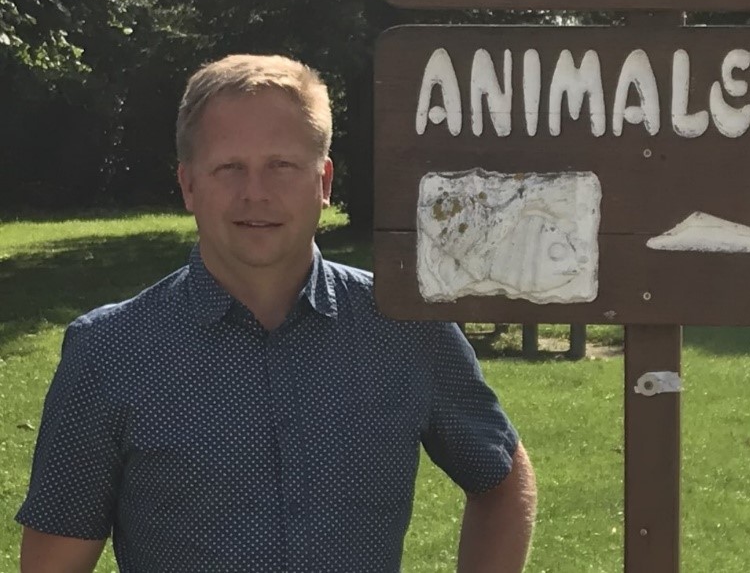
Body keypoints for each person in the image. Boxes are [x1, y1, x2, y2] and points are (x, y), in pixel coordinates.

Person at [17, 54, 536, 573]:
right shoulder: (110, 352)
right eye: (229, 167)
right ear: (189, 185)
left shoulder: (406, 329)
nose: (255, 192)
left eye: (281, 165)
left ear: (324, 181)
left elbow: (501, 479)